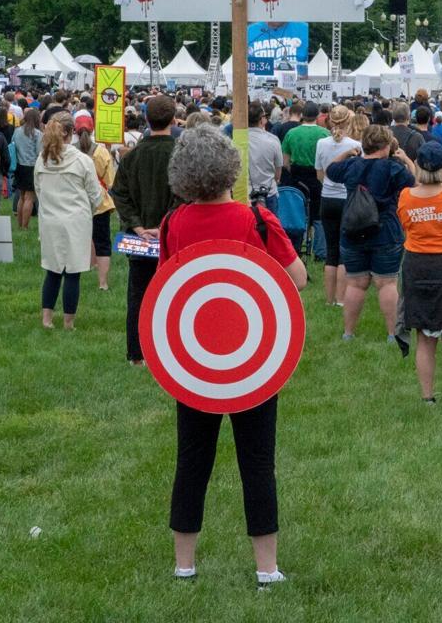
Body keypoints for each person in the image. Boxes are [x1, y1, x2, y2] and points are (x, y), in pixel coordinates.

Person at [159, 125, 307, 587]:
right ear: (229, 168)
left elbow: (168, 294)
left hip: (194, 361)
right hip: (254, 358)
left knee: (192, 459)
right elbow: (297, 279)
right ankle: (267, 569)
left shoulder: (173, 224)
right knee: (258, 463)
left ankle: (184, 564)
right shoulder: (255, 220)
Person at [325, 124, 416, 342]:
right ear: (386, 146)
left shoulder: (351, 166)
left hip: (353, 230)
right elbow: (413, 182)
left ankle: (348, 333)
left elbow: (330, 170)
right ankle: (393, 334)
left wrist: (348, 152)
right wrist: (407, 160)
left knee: (355, 283)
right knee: (387, 283)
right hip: (386, 231)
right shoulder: (393, 168)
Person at [396, 142, 442, 405]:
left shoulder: (406, 196)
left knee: (424, 336)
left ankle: (427, 397)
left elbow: (405, 224)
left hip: (416, 264)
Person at [111, 95, 177, 365]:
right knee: (173, 295)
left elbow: (119, 193)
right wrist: (162, 225)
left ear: (146, 118)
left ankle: (136, 355)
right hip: (172, 236)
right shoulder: (180, 154)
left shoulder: (131, 156)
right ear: (174, 120)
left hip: (140, 237)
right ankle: (170, 351)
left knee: (138, 295)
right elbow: (185, 195)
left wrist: (137, 226)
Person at [35, 113, 102, 330]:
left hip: (50, 220)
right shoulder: (83, 161)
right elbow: (95, 195)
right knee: (72, 272)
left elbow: (38, 190)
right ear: (71, 132)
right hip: (76, 221)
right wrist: (87, 210)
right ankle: (68, 322)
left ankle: (46, 319)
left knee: (53, 270)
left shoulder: (42, 159)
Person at [314, 105, 359, 307]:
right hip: (346, 199)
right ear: (349, 122)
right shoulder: (356, 145)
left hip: (327, 198)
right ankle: (341, 299)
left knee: (331, 250)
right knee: (343, 250)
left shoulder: (321, 143)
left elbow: (319, 173)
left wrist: (329, 186)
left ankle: (329, 299)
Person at [76, 119, 116, 291]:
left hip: (76, 201)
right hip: (100, 203)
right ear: (93, 130)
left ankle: (81, 271)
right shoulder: (102, 152)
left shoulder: (70, 152)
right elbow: (110, 181)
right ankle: (103, 283)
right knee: (103, 242)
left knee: (80, 239)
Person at [281, 102, 326, 256]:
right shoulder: (324, 133)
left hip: (297, 176)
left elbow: (285, 161)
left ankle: (298, 245)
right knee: (318, 214)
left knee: (298, 212)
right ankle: (320, 251)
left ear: (302, 115)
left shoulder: (291, 133)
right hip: (317, 177)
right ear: (317, 115)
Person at [246, 101, 283, 213]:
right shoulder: (273, 140)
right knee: (271, 229)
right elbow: (278, 171)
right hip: (269, 193)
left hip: (246, 194)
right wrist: (275, 181)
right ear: (262, 119)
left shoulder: (238, 140)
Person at [11, 109, 42, 230]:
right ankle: (25, 226)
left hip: (19, 165)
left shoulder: (17, 130)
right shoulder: (37, 134)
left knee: (21, 196)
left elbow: (12, 145)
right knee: (30, 198)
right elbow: (40, 152)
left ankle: (19, 224)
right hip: (31, 166)